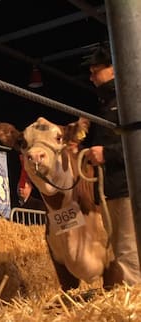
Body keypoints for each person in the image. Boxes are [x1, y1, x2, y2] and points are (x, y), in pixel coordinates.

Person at [83, 44, 141, 287]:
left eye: (97, 70)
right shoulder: (107, 105)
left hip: (126, 188)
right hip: (112, 188)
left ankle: (132, 302)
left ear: (114, 70)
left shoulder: (128, 101)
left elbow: (137, 143)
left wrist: (106, 153)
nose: (92, 76)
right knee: (118, 247)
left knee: (127, 249)